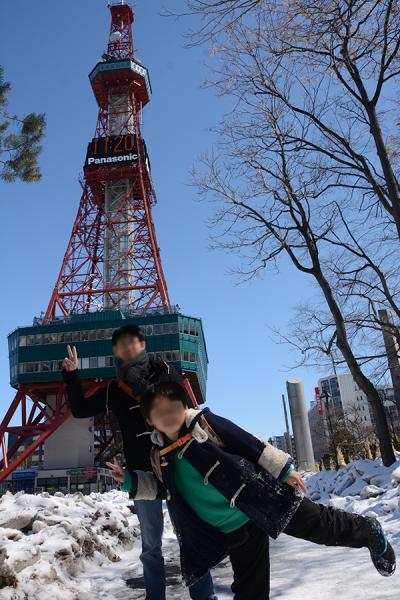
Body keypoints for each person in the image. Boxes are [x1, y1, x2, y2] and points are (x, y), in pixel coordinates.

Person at [108, 381, 396, 600]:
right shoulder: (161, 457)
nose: (169, 414)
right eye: (160, 411)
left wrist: (284, 470)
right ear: (150, 421)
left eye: (173, 406)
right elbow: (162, 488)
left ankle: (367, 530)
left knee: (320, 526)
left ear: (184, 405)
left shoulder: (204, 424)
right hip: (235, 529)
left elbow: (247, 442)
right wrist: (130, 481)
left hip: (262, 496)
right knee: (250, 589)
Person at [61, 325, 216, 600]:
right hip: (141, 471)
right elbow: (81, 409)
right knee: (150, 545)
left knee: (189, 537)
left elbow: (187, 413)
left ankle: (204, 596)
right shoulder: (115, 389)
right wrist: (72, 375)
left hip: (175, 464)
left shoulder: (166, 373)